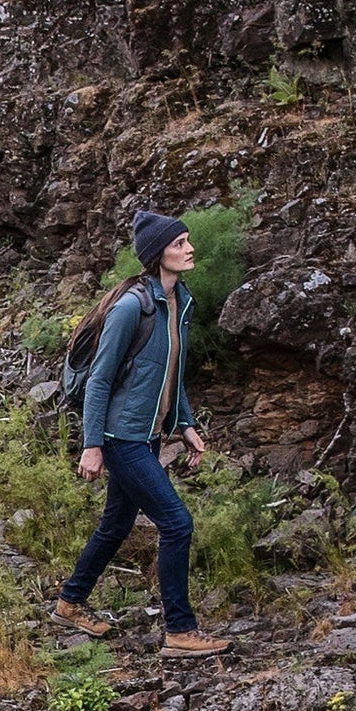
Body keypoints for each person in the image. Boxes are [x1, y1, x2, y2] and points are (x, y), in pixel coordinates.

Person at [52, 210, 229, 656]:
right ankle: (180, 632)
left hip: (147, 435)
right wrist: (92, 445)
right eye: (180, 243)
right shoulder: (132, 306)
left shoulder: (177, 301)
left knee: (116, 523)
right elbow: (99, 381)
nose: (189, 249)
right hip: (120, 438)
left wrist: (184, 423)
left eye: (188, 241)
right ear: (157, 255)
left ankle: (70, 602)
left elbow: (173, 372)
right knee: (176, 523)